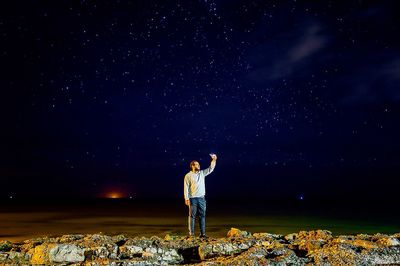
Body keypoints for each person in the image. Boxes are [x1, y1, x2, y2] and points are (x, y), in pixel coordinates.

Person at [184, 153, 217, 239]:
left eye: (199, 164)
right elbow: (186, 187)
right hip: (192, 199)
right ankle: (191, 234)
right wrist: (186, 198)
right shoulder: (188, 175)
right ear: (192, 166)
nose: (198, 165)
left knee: (202, 216)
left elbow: (211, 169)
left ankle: (203, 234)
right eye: (196, 164)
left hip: (202, 198)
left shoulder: (202, 173)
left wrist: (214, 160)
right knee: (192, 216)